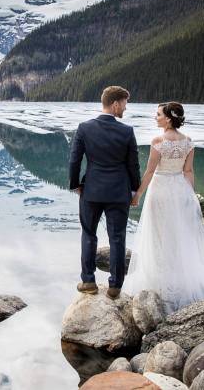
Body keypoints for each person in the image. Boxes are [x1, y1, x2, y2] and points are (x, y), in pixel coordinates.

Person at [127, 102, 204, 313]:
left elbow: (150, 172)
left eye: (158, 114)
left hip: (160, 190)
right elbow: (188, 171)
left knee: (159, 236)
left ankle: (162, 283)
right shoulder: (188, 142)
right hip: (179, 190)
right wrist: (191, 196)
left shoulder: (158, 141)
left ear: (169, 118)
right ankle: (180, 279)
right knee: (180, 235)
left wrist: (137, 195)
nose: (155, 117)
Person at [69, 86, 141, 300]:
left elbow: (74, 160)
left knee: (88, 234)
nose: (125, 109)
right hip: (119, 192)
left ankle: (89, 281)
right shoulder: (127, 131)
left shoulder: (84, 128)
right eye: (125, 104)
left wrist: (76, 184)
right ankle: (115, 286)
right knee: (117, 238)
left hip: (91, 190)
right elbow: (133, 165)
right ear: (115, 103)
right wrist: (134, 189)